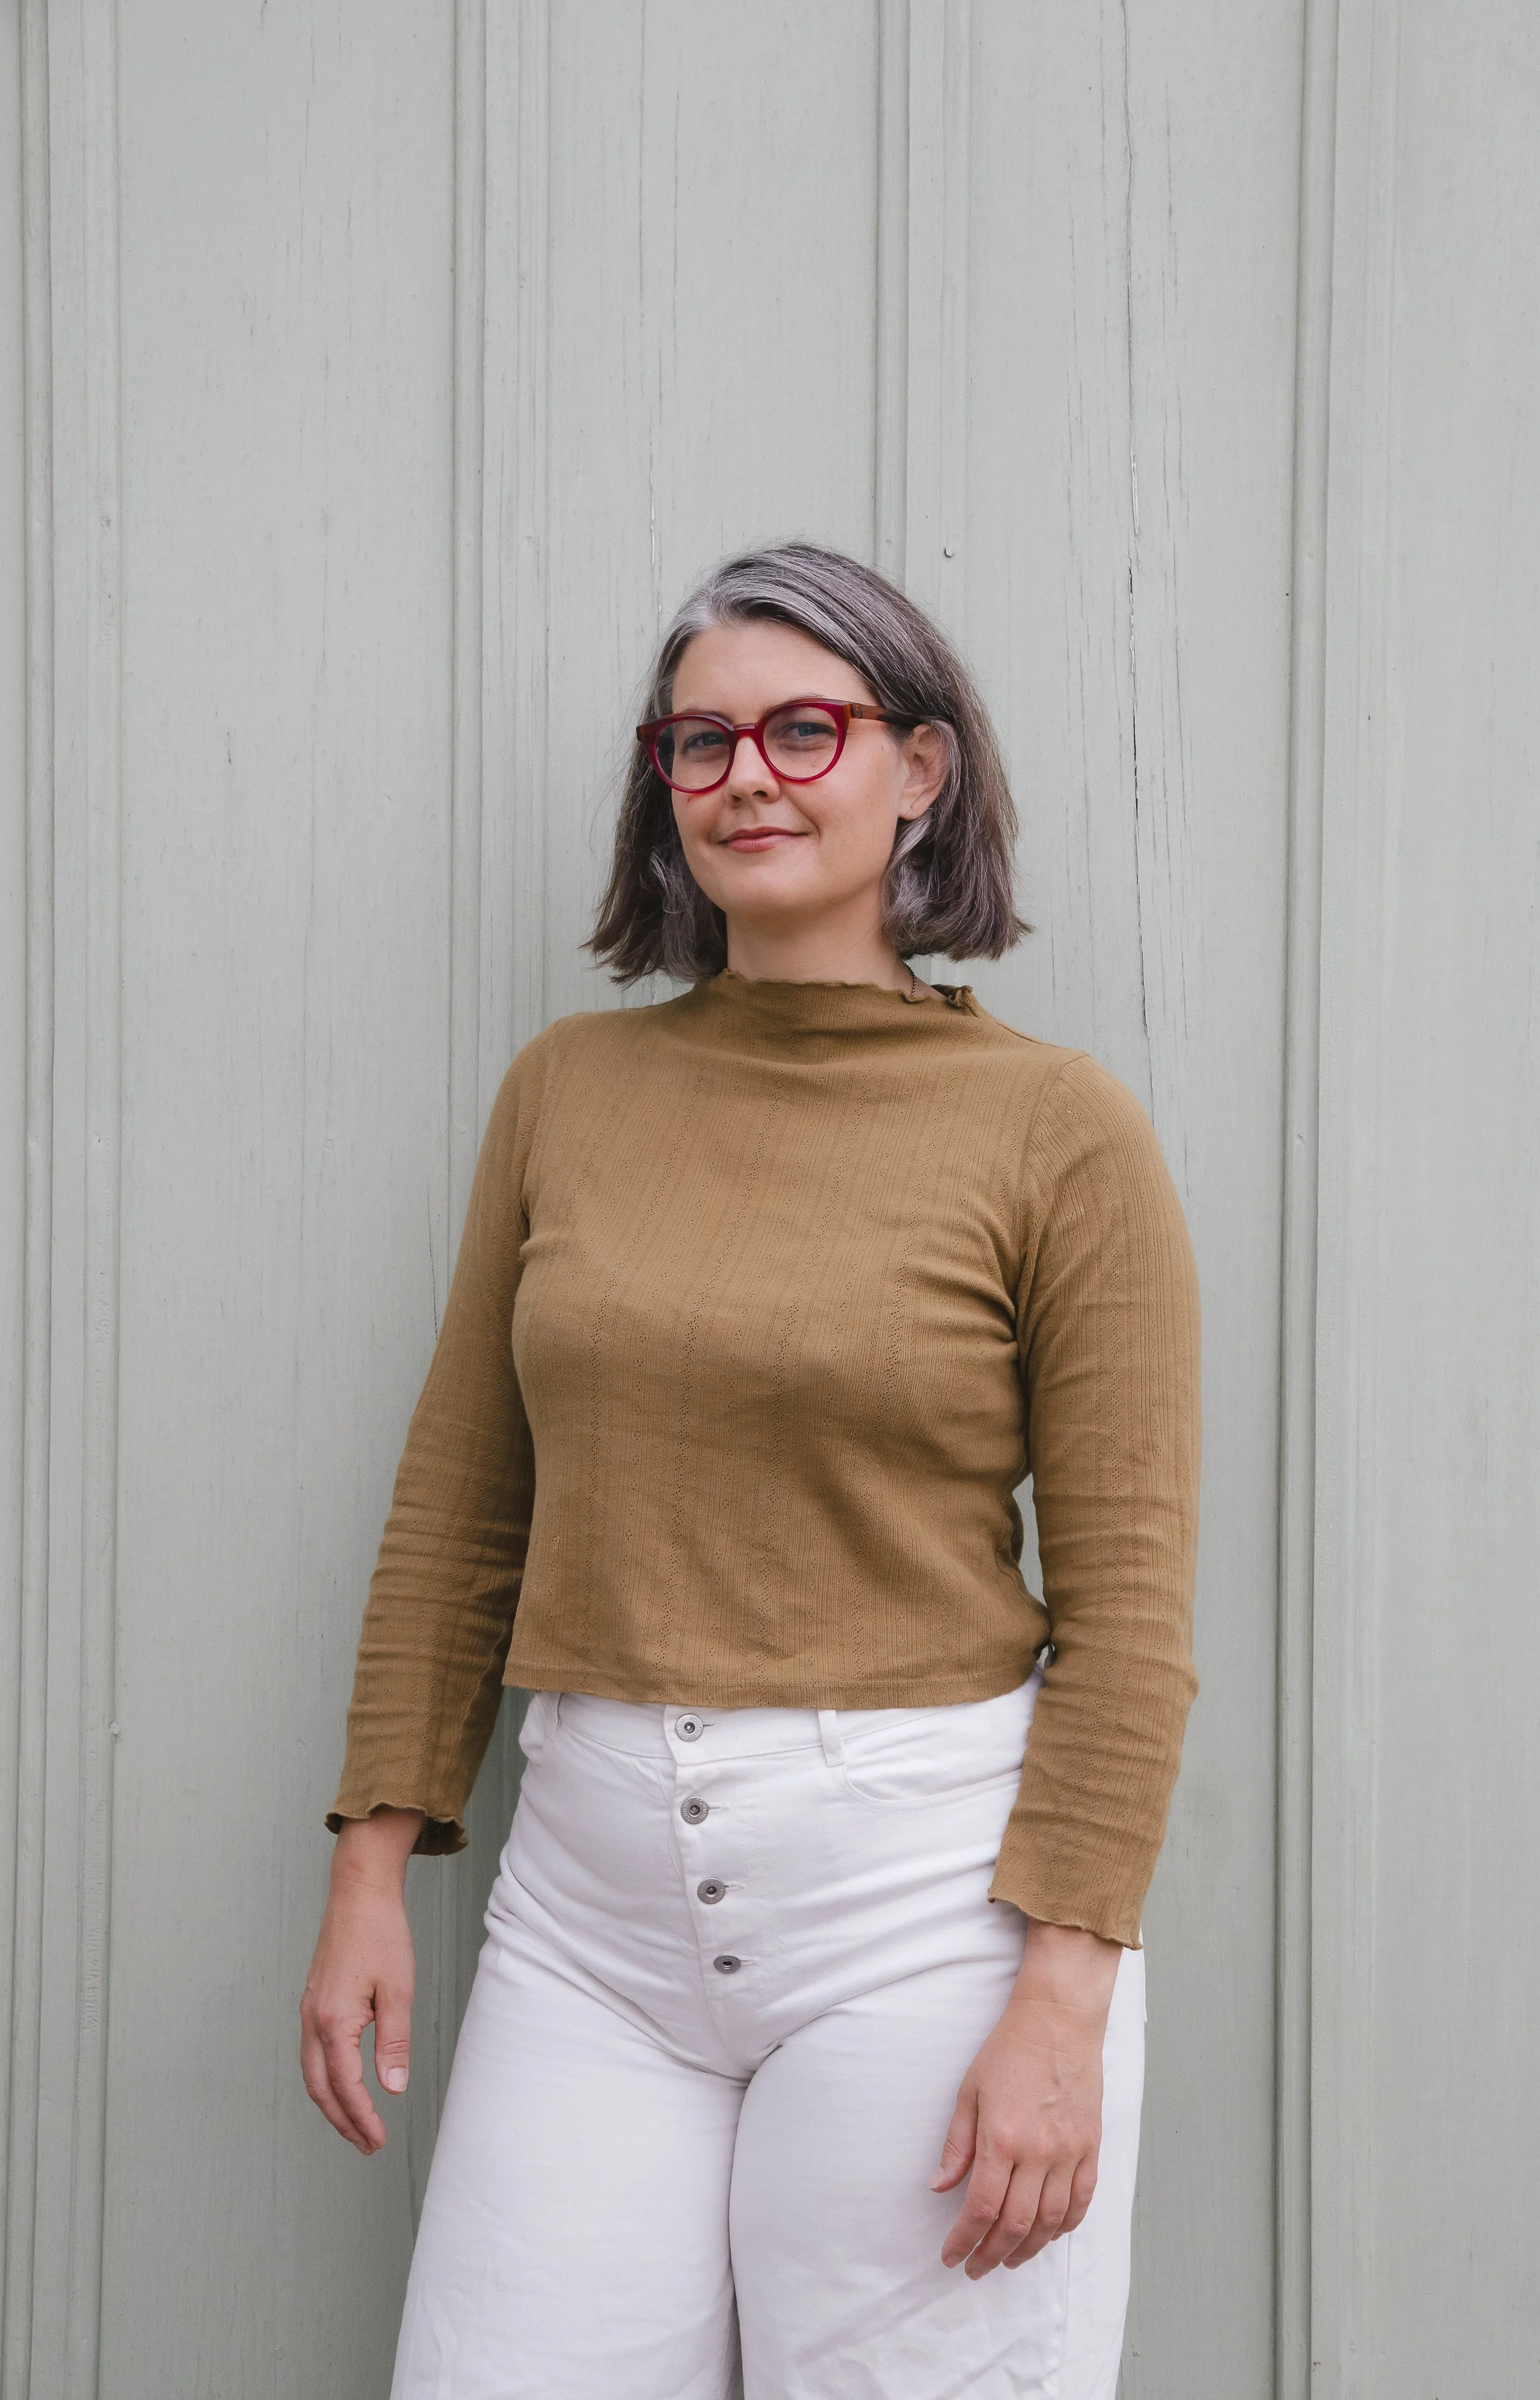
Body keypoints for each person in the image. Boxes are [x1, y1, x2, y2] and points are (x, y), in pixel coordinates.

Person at [300, 541, 1202, 2400]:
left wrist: (1064, 1988)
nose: (747, 778)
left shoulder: (1058, 1132)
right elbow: (464, 1503)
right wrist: (374, 1859)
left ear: (920, 773)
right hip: (584, 1904)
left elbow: (1129, 1611)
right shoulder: (569, 1090)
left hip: (924, 1905)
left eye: (805, 726)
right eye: (698, 742)